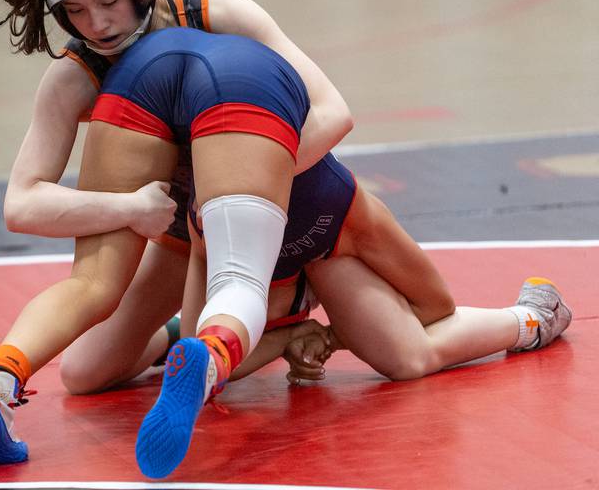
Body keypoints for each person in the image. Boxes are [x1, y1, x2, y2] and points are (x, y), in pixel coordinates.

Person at [0, 0, 355, 465]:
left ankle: (272, 321)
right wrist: (129, 210)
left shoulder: (218, 11)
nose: (97, 24)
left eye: (110, 0)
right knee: (87, 371)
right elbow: (21, 205)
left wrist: (238, 188)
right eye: (76, 11)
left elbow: (333, 112)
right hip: (173, 224)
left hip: (270, 198)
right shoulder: (74, 76)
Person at [68, 26, 572, 479]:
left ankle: (531, 317)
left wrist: (336, 334)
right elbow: (207, 360)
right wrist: (290, 338)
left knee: (409, 357)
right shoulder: (215, 219)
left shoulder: (339, 211)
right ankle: (167, 338)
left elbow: (435, 307)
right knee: (85, 371)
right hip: (219, 229)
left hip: (316, 236)